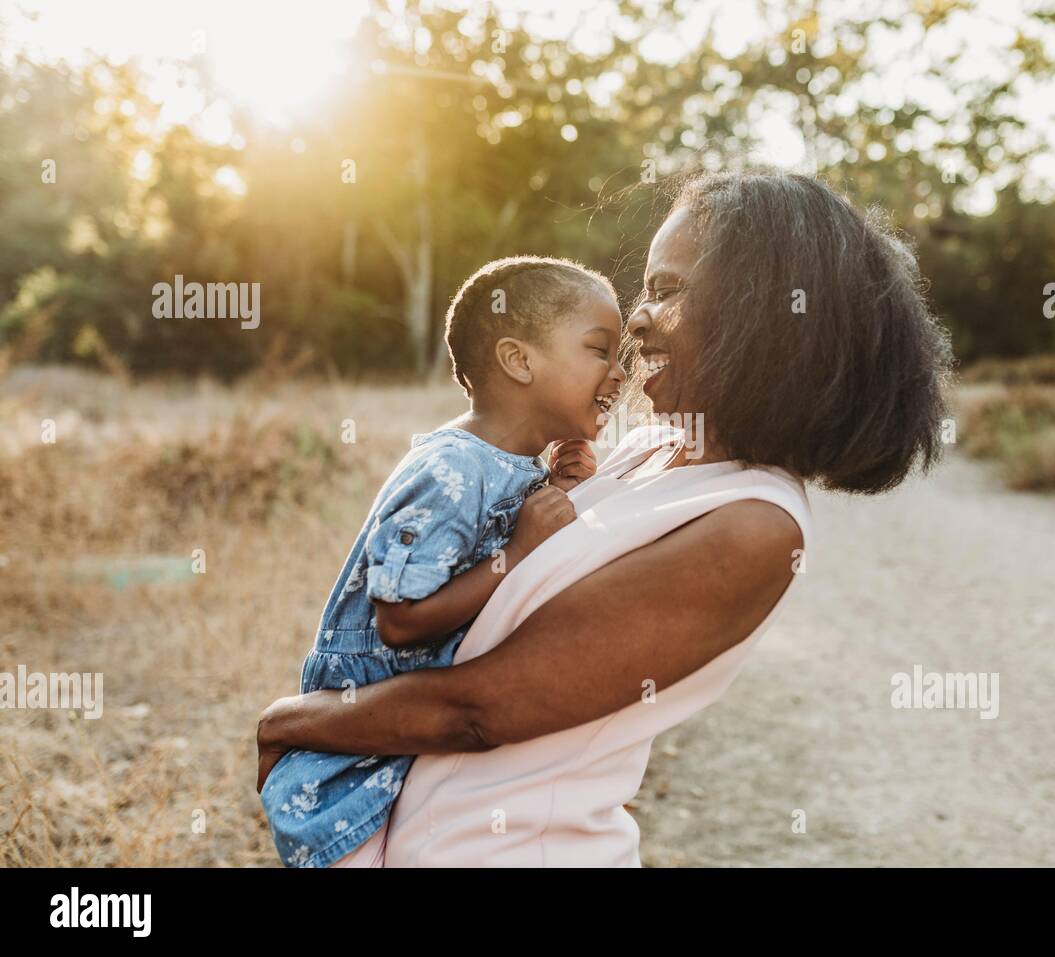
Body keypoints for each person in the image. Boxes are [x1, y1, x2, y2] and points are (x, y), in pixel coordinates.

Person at [256, 170, 952, 866]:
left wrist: (293, 720)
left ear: (761, 313)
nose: (640, 317)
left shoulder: (754, 525)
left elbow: (480, 709)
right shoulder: (651, 448)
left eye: (669, 289)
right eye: (647, 288)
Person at [259, 256, 625, 867]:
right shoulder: (450, 470)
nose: (619, 374)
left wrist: (563, 491)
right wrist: (518, 550)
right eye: (599, 350)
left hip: (407, 743)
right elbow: (400, 621)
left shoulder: (510, 467)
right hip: (349, 768)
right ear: (519, 360)